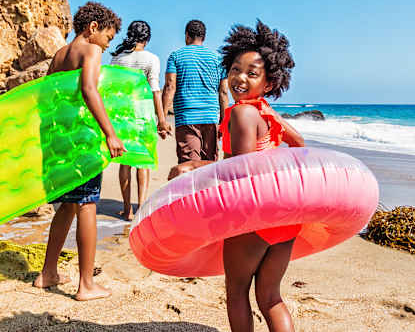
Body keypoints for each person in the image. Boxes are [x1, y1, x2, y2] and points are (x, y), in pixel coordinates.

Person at [168, 20, 305, 332]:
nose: (239, 78)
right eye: (234, 69)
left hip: (253, 218)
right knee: (270, 297)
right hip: (284, 215)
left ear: (269, 82)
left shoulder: (243, 113)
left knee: (237, 293)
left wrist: (191, 167)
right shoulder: (266, 111)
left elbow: (239, 172)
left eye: (251, 73)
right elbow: (299, 145)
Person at [33, 1, 124, 301]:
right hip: (82, 141)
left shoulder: (59, 55)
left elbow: (47, 97)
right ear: (93, 28)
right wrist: (110, 133)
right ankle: (86, 284)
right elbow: (89, 89)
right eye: (109, 38)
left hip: (60, 141)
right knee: (87, 204)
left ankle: (48, 273)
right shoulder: (91, 50)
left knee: (69, 206)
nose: (108, 45)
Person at [110, 20, 169, 220]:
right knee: (143, 162)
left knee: (124, 163)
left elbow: (112, 91)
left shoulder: (117, 59)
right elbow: (155, 91)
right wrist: (161, 120)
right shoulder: (151, 59)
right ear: (147, 38)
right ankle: (141, 207)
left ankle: (127, 210)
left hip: (121, 115)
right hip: (143, 115)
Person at [162, 20, 228, 165]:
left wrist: (163, 119)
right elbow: (223, 92)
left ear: (187, 36)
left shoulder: (176, 56)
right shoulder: (217, 59)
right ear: (203, 37)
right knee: (209, 166)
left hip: (187, 118)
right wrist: (224, 121)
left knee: (189, 166)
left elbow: (169, 87)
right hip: (211, 118)